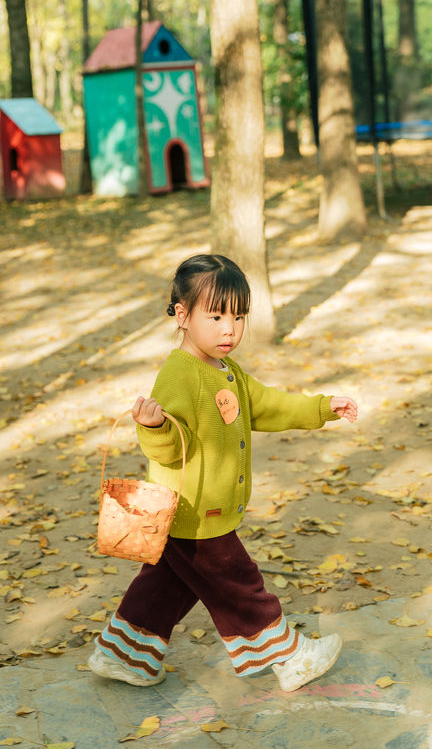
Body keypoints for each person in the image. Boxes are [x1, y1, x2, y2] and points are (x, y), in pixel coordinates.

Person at [89, 254, 358, 693]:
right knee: (240, 585)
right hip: (194, 511)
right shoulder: (180, 373)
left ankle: (123, 656)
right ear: (182, 314)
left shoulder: (226, 370)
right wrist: (154, 426)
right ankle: (289, 658)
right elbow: (170, 450)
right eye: (214, 316)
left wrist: (322, 407)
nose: (228, 329)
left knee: (167, 587)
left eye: (238, 316)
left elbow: (269, 404)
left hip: (201, 511)